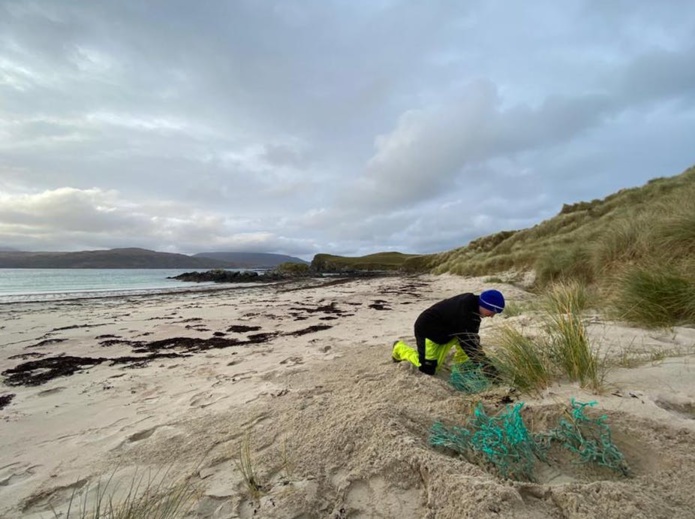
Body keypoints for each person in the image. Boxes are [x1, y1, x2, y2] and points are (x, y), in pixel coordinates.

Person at [391, 289, 505, 377]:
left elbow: (472, 340)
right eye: (493, 311)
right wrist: (488, 368)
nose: (492, 316)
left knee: (468, 340)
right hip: (428, 331)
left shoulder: (474, 310)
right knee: (428, 369)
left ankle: (461, 365)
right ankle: (399, 348)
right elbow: (469, 345)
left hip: (449, 332)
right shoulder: (465, 314)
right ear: (485, 305)